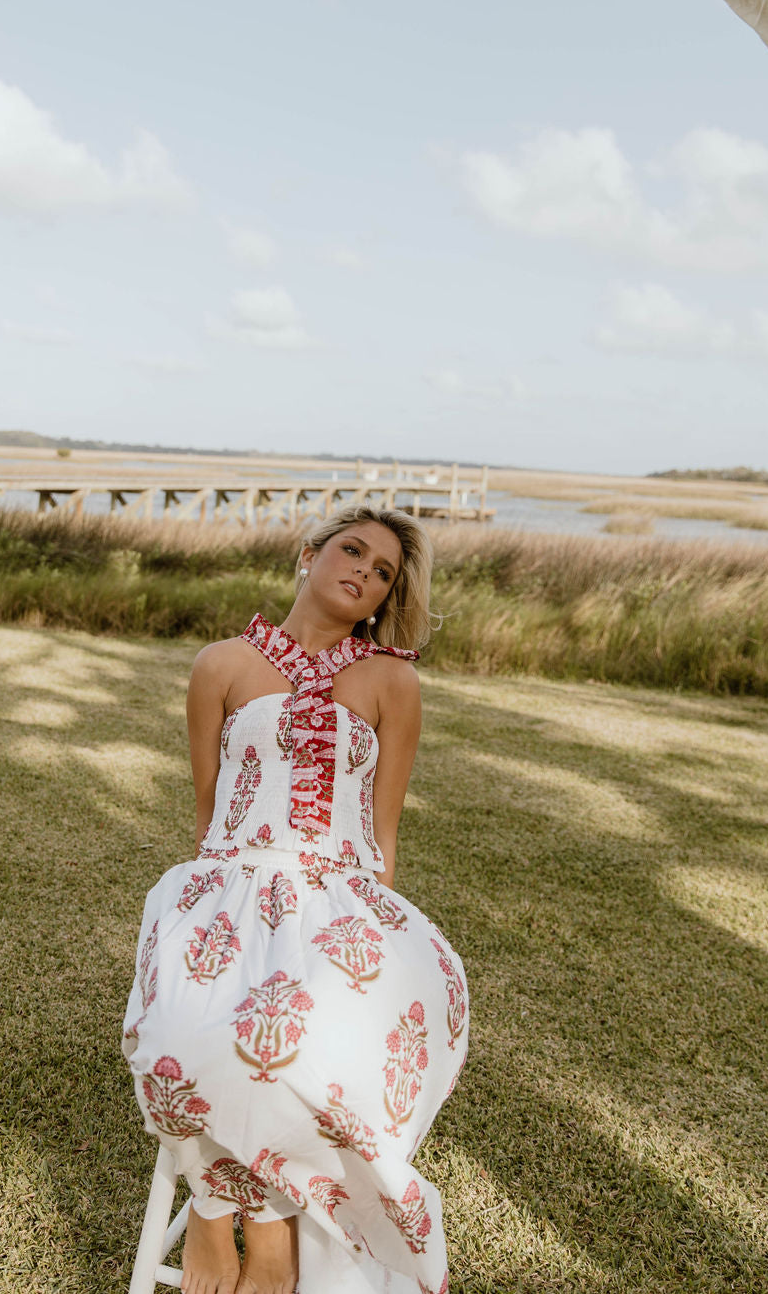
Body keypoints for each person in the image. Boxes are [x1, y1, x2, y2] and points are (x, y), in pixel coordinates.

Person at [122, 505, 469, 1294]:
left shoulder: (392, 680)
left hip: (340, 893)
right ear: (307, 552)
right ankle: (221, 1213)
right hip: (231, 879)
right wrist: (226, 904)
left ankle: (266, 1216)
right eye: (353, 550)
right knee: (183, 1028)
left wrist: (365, 933)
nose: (364, 572)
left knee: (313, 1046)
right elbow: (211, 811)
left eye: (383, 571)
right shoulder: (221, 664)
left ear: (385, 597)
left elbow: (384, 833)